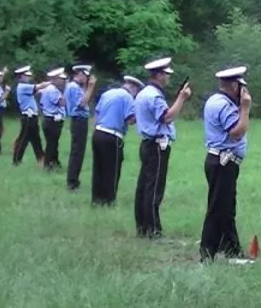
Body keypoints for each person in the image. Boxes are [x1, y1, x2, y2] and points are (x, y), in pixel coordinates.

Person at [134, 57, 192, 240]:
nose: (168, 78)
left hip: (147, 143)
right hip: (157, 146)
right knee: (154, 188)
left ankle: (143, 227)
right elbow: (167, 117)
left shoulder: (144, 93)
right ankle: (153, 230)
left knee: (144, 186)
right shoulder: (154, 96)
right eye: (166, 74)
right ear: (158, 75)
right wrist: (181, 98)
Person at [199, 66, 252, 264]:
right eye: (240, 86)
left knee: (226, 208)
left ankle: (231, 250)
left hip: (220, 160)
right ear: (233, 85)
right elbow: (237, 132)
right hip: (223, 161)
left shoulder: (215, 100)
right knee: (218, 208)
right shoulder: (224, 105)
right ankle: (207, 253)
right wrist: (245, 108)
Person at [91, 75, 142, 206]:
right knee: (112, 170)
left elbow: (96, 113)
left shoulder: (107, 93)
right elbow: (130, 120)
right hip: (112, 136)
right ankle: (109, 200)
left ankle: (96, 198)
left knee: (98, 168)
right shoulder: (128, 98)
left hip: (98, 133)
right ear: (133, 87)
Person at [65, 64, 97, 191]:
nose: (88, 79)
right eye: (86, 76)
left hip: (79, 120)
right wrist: (90, 87)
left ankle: (73, 180)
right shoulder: (74, 87)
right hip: (78, 120)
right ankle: (72, 182)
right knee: (77, 152)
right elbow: (82, 103)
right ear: (80, 74)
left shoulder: (75, 87)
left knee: (78, 151)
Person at [13, 66, 52, 167]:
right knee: (23, 139)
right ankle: (16, 161)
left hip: (32, 117)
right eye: (26, 75)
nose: (28, 77)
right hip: (28, 117)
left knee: (36, 139)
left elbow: (39, 91)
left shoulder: (26, 87)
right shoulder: (22, 86)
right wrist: (52, 82)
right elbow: (39, 86)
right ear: (21, 77)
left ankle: (41, 159)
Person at [40, 67, 67, 171]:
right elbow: (62, 103)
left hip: (49, 119)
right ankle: (48, 164)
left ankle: (55, 162)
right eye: (61, 79)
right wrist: (66, 93)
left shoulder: (49, 89)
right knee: (52, 144)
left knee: (53, 143)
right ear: (55, 79)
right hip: (53, 120)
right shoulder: (52, 90)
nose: (63, 81)